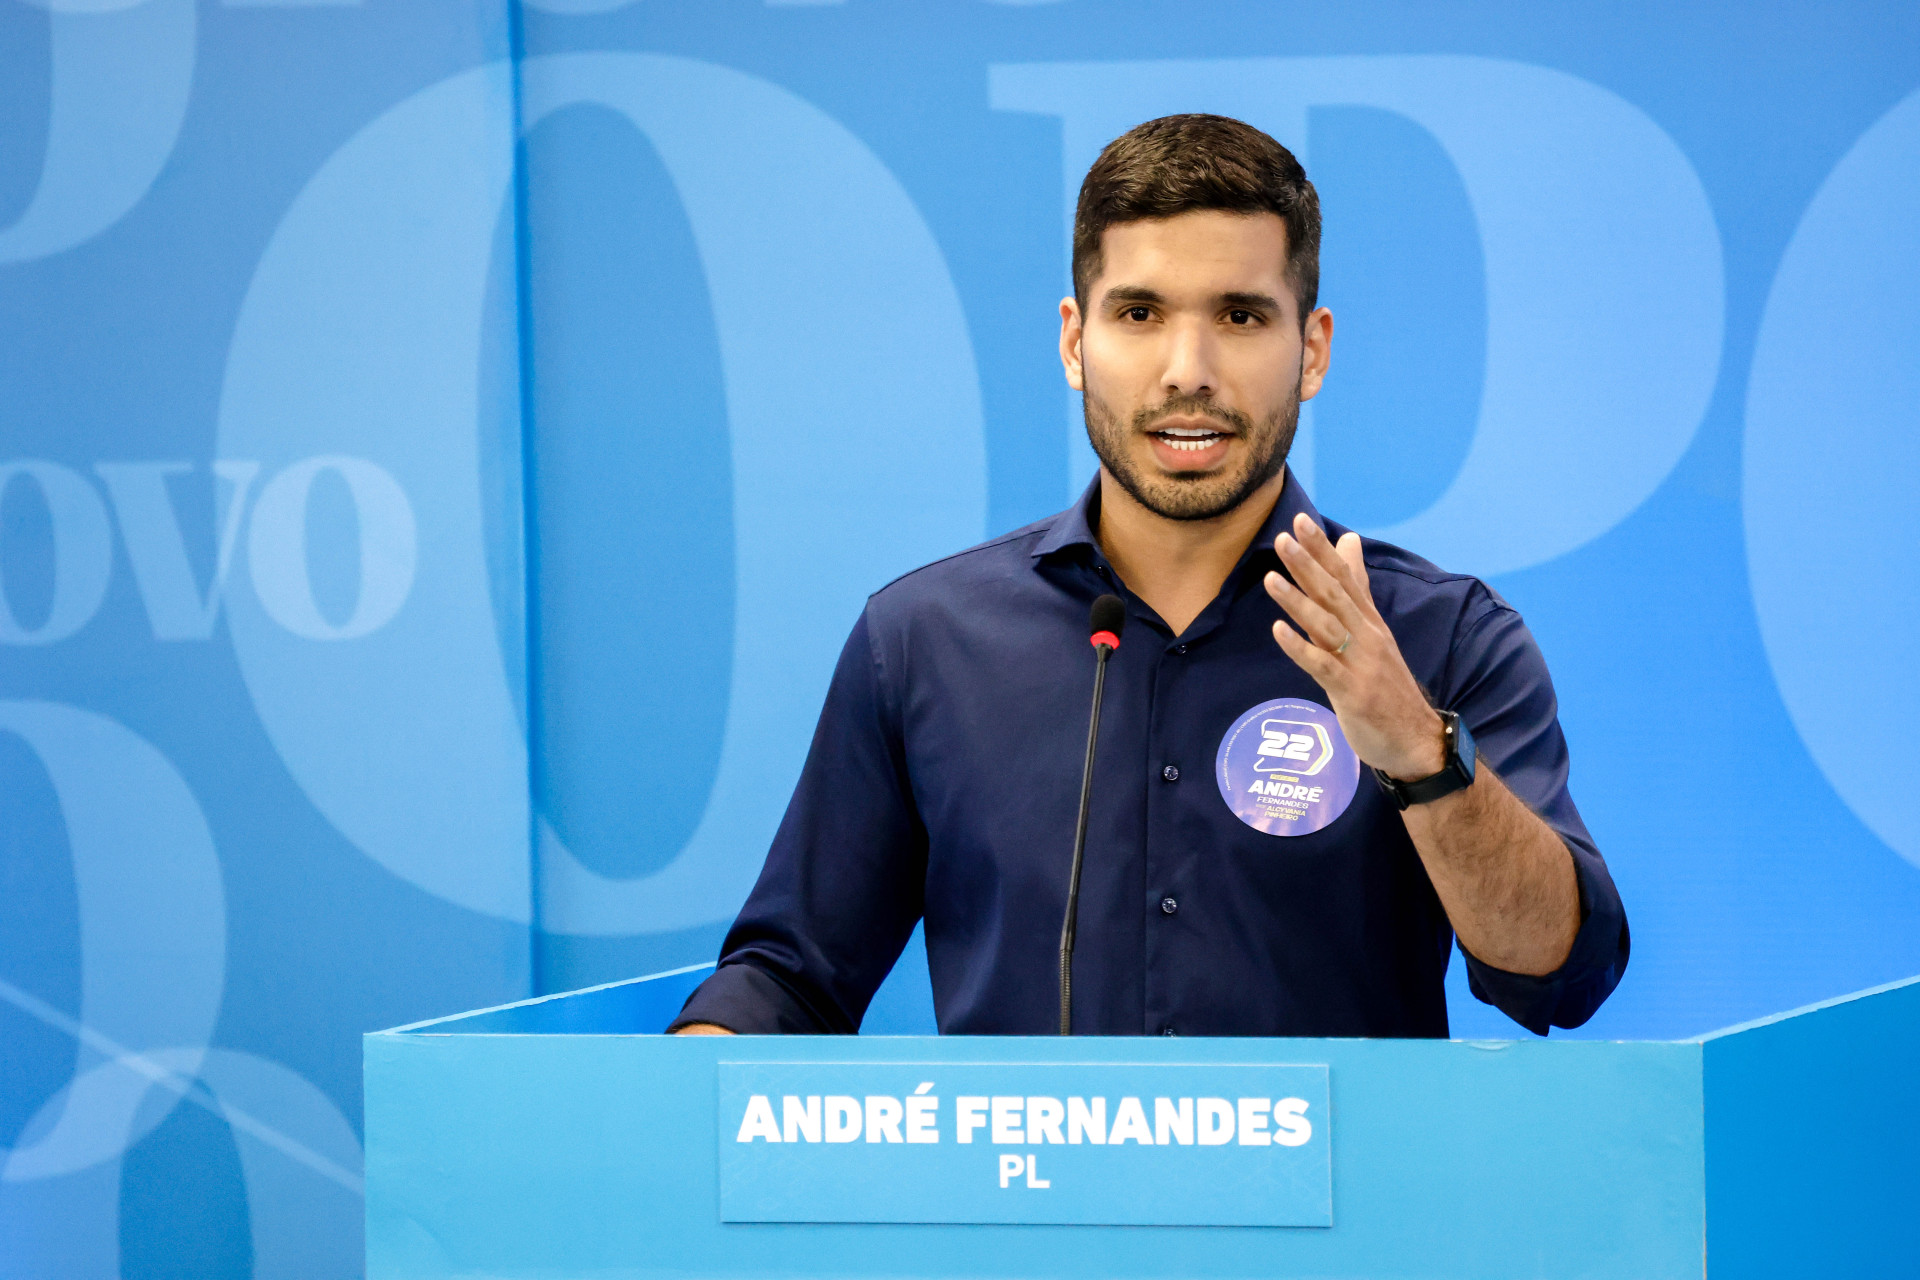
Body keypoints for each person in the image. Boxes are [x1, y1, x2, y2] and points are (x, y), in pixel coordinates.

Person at [671, 114, 1627, 1039]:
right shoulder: (923, 640)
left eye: (1242, 316)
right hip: (1025, 1203)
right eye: (1139, 313)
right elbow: (790, 982)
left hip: (1352, 1208)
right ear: (1075, 341)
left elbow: (1561, 974)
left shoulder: (1438, 636)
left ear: (1313, 350)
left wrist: (1421, 751)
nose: (1188, 370)